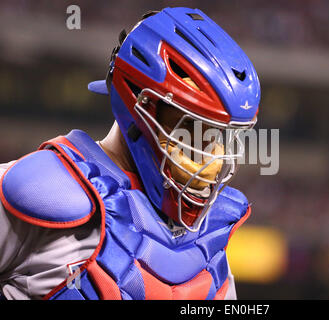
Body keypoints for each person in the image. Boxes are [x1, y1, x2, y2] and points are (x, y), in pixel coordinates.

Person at [0, 7, 260, 300]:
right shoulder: (43, 191)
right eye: (191, 126)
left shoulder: (211, 238)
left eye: (218, 136)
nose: (213, 159)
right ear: (140, 104)